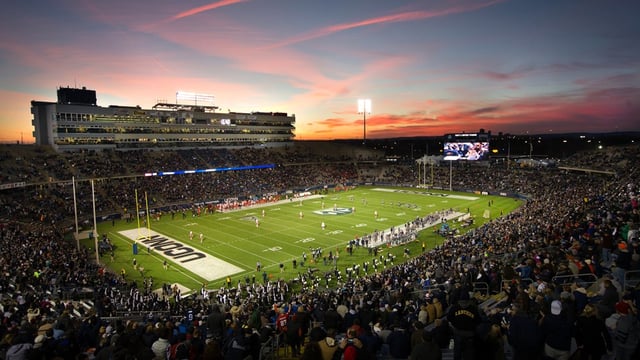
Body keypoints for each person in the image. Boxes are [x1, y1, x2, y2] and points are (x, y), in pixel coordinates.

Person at [447, 290, 481, 360]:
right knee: (469, 354)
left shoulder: (455, 307)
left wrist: (455, 324)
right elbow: (478, 320)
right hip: (470, 334)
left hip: (458, 332)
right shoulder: (473, 308)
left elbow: (449, 318)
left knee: (457, 352)